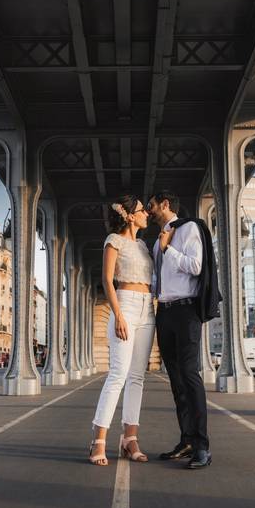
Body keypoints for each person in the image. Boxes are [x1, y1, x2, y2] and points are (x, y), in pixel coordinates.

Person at [148, 190, 217, 470]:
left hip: (187, 311)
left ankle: (202, 446)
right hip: (164, 313)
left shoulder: (189, 228)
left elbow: (196, 266)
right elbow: (156, 281)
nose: (150, 210)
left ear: (165, 204)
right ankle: (186, 439)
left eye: (151, 205)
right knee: (176, 380)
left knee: (189, 375)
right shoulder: (156, 242)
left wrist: (169, 249)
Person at [88, 195, 154, 466]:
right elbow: (107, 279)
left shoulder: (143, 245)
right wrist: (117, 315)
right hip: (125, 305)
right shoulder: (113, 241)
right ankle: (98, 441)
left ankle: (130, 439)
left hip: (147, 309)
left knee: (137, 377)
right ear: (129, 216)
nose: (146, 214)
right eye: (141, 210)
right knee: (118, 374)